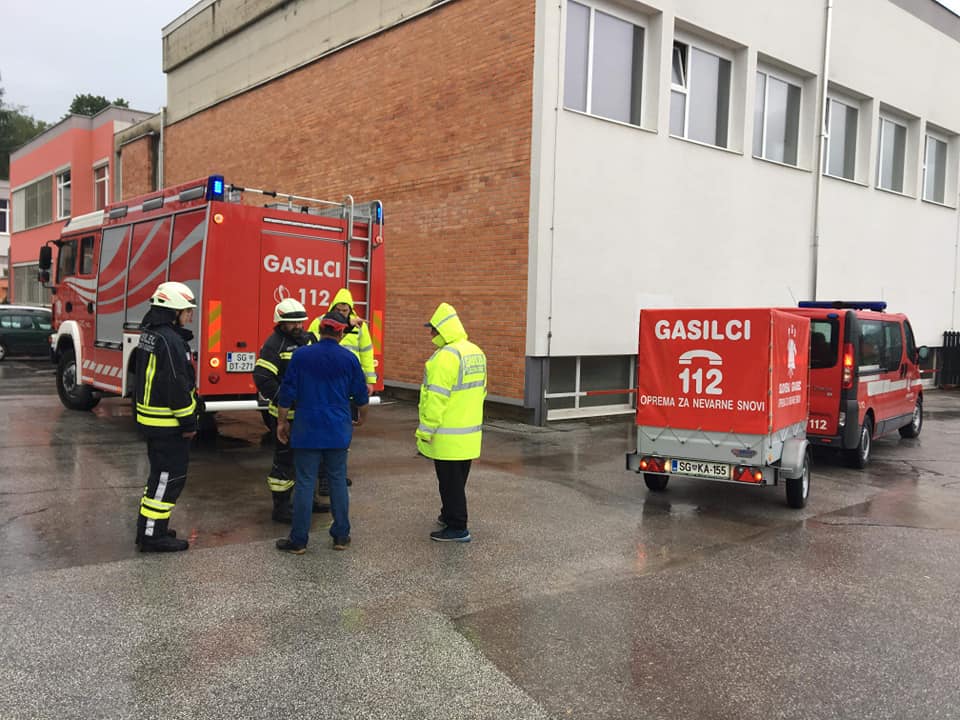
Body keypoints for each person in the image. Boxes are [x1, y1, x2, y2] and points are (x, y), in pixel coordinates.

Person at [275, 311, 369, 554]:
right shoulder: (349, 359)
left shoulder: (301, 355)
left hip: (307, 428)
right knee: (337, 479)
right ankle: (341, 536)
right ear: (341, 332)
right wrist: (362, 417)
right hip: (337, 429)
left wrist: (281, 422)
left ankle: (298, 541)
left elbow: (287, 392)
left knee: (305, 482)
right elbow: (361, 395)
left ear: (319, 330)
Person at [133, 281, 199, 553]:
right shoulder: (171, 341)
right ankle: (152, 536)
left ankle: (152, 528)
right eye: (187, 310)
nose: (190, 315)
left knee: (159, 478)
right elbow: (175, 385)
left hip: (154, 422)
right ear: (173, 311)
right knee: (167, 480)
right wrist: (189, 421)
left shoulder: (151, 334)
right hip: (167, 425)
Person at [416, 302, 486, 543]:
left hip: (447, 435)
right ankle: (448, 514)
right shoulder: (476, 352)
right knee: (457, 480)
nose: (430, 334)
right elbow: (482, 392)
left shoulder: (445, 357)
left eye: (433, 329)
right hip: (469, 434)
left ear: (442, 330)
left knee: (449, 483)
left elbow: (435, 399)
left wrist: (425, 431)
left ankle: (457, 527)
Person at [254, 298, 325, 523]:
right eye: (292, 323)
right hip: (286, 416)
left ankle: (308, 500)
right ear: (281, 323)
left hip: (309, 412)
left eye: (300, 322)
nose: (298, 326)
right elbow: (262, 377)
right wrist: (285, 399)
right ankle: (281, 508)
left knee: (310, 458)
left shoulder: (309, 339)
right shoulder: (274, 344)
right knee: (285, 462)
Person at [307, 288, 376, 490]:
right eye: (339, 309)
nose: (343, 312)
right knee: (326, 431)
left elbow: (366, 352)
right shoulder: (320, 321)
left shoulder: (360, 326)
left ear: (351, 309)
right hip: (325, 382)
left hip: (347, 384)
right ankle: (325, 478)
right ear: (333, 307)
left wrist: (370, 380)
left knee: (344, 431)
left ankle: (337, 473)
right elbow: (314, 344)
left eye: (346, 310)